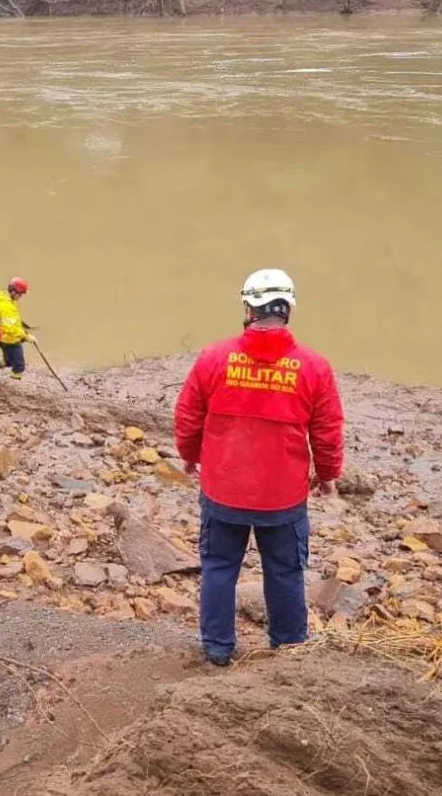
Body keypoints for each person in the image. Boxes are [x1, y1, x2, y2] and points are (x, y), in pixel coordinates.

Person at [174, 268, 344, 667]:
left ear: (249, 308)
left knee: (219, 567)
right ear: (288, 310)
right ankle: (288, 650)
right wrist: (328, 473)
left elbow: (188, 415)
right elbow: (327, 429)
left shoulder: (215, 358)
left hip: (223, 491)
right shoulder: (313, 368)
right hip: (282, 498)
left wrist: (189, 453)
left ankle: (217, 648)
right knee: (285, 572)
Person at [0, 277, 35, 381]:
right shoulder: (7, 306)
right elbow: (11, 328)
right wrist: (26, 336)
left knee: (8, 361)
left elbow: (9, 322)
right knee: (19, 366)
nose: (21, 296)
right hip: (9, 339)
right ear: (13, 292)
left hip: (2, 336)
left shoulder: (3, 299)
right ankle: (13, 383)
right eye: (20, 293)